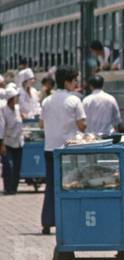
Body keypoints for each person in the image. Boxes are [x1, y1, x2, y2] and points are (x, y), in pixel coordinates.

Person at [40, 67, 87, 234]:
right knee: (70, 184)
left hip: (49, 148)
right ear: (67, 82)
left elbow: (41, 124)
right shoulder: (74, 101)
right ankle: (69, 219)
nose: (76, 84)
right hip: (67, 150)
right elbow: (82, 125)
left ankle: (47, 221)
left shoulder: (47, 100)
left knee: (51, 185)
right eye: (75, 80)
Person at [1, 85, 24, 194]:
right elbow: (1, 127)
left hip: (18, 142)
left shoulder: (18, 108)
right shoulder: (3, 111)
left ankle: (14, 188)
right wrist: (1, 144)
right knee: (8, 166)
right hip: (7, 142)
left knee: (17, 167)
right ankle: (8, 188)